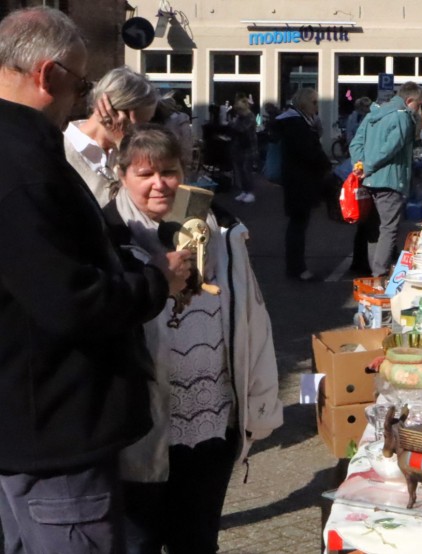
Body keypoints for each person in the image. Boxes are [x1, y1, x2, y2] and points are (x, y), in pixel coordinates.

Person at [0, 8, 191, 553]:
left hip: (30, 419)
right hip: (54, 431)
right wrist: (156, 281)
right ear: (48, 75)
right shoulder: (24, 164)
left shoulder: (25, 153)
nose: (83, 99)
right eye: (81, 83)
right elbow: (70, 300)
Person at [102, 124, 283, 554]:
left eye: (169, 171)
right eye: (145, 174)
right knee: (138, 543)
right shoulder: (107, 237)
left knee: (197, 542)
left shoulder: (221, 231)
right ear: (122, 174)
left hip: (211, 419)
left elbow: (251, 319)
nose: (159, 184)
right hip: (140, 429)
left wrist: (256, 401)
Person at [349, 81, 422, 277]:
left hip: (369, 181)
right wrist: (368, 165)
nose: (419, 108)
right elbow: (391, 148)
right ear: (409, 100)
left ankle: (375, 274)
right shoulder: (403, 118)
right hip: (391, 180)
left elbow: (355, 143)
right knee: (388, 229)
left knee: (374, 229)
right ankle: (380, 274)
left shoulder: (372, 115)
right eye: (419, 104)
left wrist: (360, 165)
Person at [64, 66, 158, 207]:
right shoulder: (62, 149)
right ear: (114, 113)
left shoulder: (123, 153)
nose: (143, 131)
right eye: (142, 123)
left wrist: (123, 145)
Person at [276, 87, 330, 281]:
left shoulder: (294, 122)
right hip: (299, 181)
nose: (316, 107)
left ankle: (296, 266)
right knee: (298, 225)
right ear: (303, 103)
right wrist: (325, 163)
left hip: (297, 180)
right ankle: (297, 268)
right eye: (314, 103)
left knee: (298, 224)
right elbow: (308, 152)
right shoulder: (296, 124)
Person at [229, 96, 258, 203]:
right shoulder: (240, 118)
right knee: (240, 171)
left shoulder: (250, 117)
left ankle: (250, 192)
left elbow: (241, 129)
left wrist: (232, 123)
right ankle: (244, 190)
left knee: (247, 170)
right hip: (239, 147)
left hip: (249, 148)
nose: (238, 112)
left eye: (240, 109)